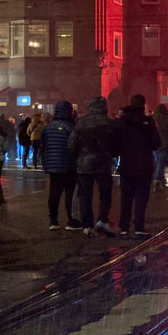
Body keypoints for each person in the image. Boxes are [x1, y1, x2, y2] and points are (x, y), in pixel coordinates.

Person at [69, 96, 119, 237]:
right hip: (103, 163)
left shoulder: (81, 124)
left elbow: (72, 145)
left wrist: (80, 155)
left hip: (84, 164)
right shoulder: (110, 123)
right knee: (105, 193)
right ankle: (102, 220)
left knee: (85, 195)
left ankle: (87, 225)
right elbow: (116, 146)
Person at [116, 95, 161, 238]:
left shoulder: (122, 122)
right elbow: (156, 143)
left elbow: (115, 144)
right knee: (141, 198)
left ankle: (124, 227)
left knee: (126, 197)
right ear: (143, 105)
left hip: (127, 165)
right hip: (144, 165)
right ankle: (139, 227)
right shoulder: (148, 122)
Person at [42, 100, 81, 231]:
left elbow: (44, 145)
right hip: (69, 164)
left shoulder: (48, 127)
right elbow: (76, 146)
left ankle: (53, 221)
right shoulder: (71, 126)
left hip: (53, 165)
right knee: (70, 192)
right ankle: (71, 220)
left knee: (54, 192)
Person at [153, 104, 168, 190]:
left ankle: (160, 179)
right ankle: (158, 179)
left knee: (158, 161)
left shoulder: (153, 119)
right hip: (164, 143)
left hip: (154, 144)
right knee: (161, 162)